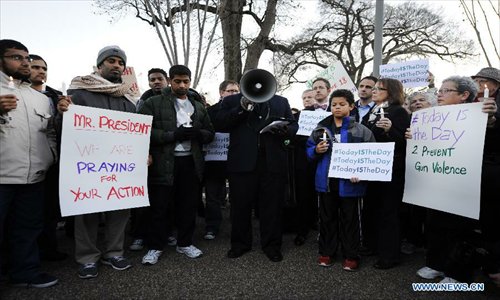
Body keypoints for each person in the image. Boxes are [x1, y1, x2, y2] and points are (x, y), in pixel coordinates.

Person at [57, 45, 135, 279]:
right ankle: (88, 258)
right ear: (99, 65)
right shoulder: (78, 93)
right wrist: (62, 113)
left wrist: (144, 154)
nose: (116, 66)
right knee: (87, 211)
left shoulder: (126, 98)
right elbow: (62, 130)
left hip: (119, 166)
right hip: (88, 165)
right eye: (111, 61)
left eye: (120, 63)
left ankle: (114, 253)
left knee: (119, 209)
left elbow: (136, 132)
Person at [413, 76, 498, 284]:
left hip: (465, 180)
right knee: (435, 222)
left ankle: (458, 273)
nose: (440, 94)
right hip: (439, 179)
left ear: (464, 96)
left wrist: (490, 121)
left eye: (446, 90)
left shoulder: (480, 112)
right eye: (439, 90)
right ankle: (436, 264)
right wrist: (413, 136)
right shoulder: (432, 117)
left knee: (460, 228)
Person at [214, 70, 298, 262]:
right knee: (240, 207)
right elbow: (220, 123)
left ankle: (272, 246)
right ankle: (240, 244)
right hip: (242, 163)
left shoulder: (280, 102)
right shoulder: (231, 101)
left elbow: (293, 126)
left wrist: (284, 130)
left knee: (272, 207)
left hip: (272, 163)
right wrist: (241, 110)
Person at [139, 65, 214, 265]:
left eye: (186, 81)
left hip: (191, 162)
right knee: (160, 207)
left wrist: (199, 134)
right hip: (164, 162)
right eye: (178, 81)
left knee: (188, 205)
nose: (182, 85)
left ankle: (185, 243)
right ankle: (155, 247)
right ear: (170, 80)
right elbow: (142, 131)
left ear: (190, 82)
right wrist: (172, 135)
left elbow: (210, 132)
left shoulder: (197, 105)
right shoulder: (153, 103)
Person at [0, 39, 58, 288]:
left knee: (28, 228)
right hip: (2, 178)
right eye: (16, 57)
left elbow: (50, 135)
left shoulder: (41, 99)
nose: (24, 63)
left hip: (34, 177)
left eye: (26, 58)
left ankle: (26, 273)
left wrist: (50, 159)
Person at [307, 89, 375, 270]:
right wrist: (315, 151)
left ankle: (351, 255)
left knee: (350, 220)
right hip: (326, 183)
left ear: (351, 106)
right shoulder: (320, 129)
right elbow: (308, 150)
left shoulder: (362, 131)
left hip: (351, 185)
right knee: (327, 219)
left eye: (342, 104)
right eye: (334, 104)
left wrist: (361, 173)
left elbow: (372, 156)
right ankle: (327, 253)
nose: (337, 107)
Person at [361, 78, 410, 269]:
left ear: (391, 92)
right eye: (373, 88)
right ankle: (372, 245)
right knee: (372, 208)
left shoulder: (399, 112)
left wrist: (390, 130)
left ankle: (389, 255)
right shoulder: (372, 111)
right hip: (373, 168)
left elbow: (405, 142)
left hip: (391, 170)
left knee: (388, 212)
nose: (373, 91)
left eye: (378, 89)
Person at [29, 54, 68, 262]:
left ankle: (49, 249)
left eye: (44, 68)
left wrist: (64, 113)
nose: (40, 71)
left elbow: (59, 129)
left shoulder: (55, 97)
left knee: (50, 209)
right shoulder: (13, 93)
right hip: (22, 162)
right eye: (35, 67)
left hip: (52, 160)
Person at [129, 67, 172, 252]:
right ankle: (139, 234)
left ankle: (167, 232)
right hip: (147, 158)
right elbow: (138, 130)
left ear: (167, 80)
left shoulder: (177, 100)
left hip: (168, 158)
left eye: (159, 79)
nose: (156, 82)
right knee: (143, 200)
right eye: (152, 79)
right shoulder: (142, 102)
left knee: (166, 201)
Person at [203, 80, 239, 240]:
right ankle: (212, 227)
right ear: (221, 93)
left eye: (236, 91)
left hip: (236, 159)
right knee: (212, 196)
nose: (234, 94)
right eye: (230, 91)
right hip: (214, 159)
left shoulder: (244, 110)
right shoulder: (210, 111)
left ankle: (236, 226)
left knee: (237, 196)